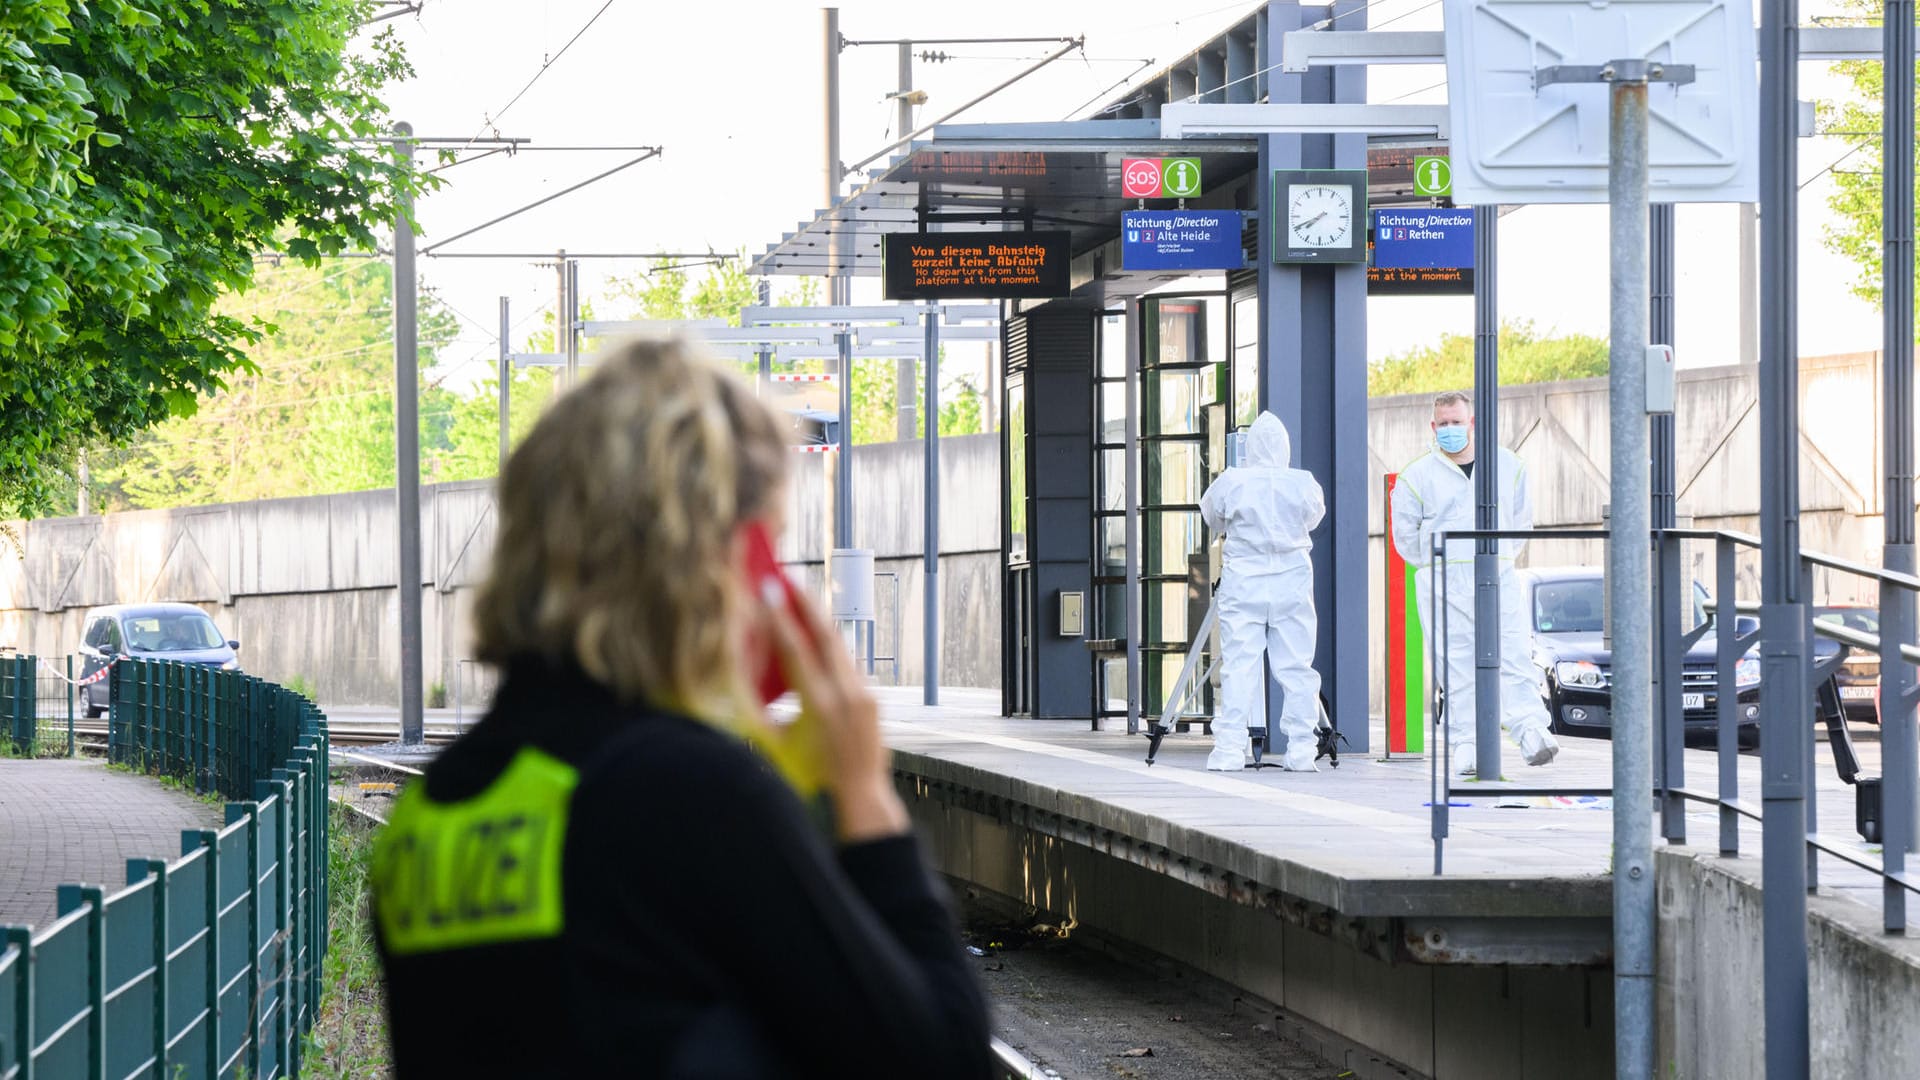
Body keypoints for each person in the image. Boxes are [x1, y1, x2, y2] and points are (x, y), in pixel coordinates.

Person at [369, 340, 991, 1077]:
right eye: (771, 546)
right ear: (720, 558)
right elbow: (937, 1061)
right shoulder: (686, 793)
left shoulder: (433, 811)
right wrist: (863, 800)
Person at [1389, 389, 1559, 776]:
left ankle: (1530, 729)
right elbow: (1404, 537)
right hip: (1442, 579)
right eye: (1443, 423)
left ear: (1473, 423)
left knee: (1513, 652)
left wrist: (1495, 558)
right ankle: (1467, 743)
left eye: (1456, 422)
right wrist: (1438, 563)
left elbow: (1519, 524)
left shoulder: (1507, 465)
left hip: (1494, 571)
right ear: (1433, 427)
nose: (1450, 429)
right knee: (1456, 663)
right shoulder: (1416, 476)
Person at [1198, 412, 1325, 772]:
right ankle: (1302, 749)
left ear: (1250, 448)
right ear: (1286, 447)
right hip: (1292, 580)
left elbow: (1212, 516)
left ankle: (1228, 749)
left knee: (1240, 665)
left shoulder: (1232, 481)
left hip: (1245, 581)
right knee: (1297, 666)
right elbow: (1314, 519)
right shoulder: (1303, 483)